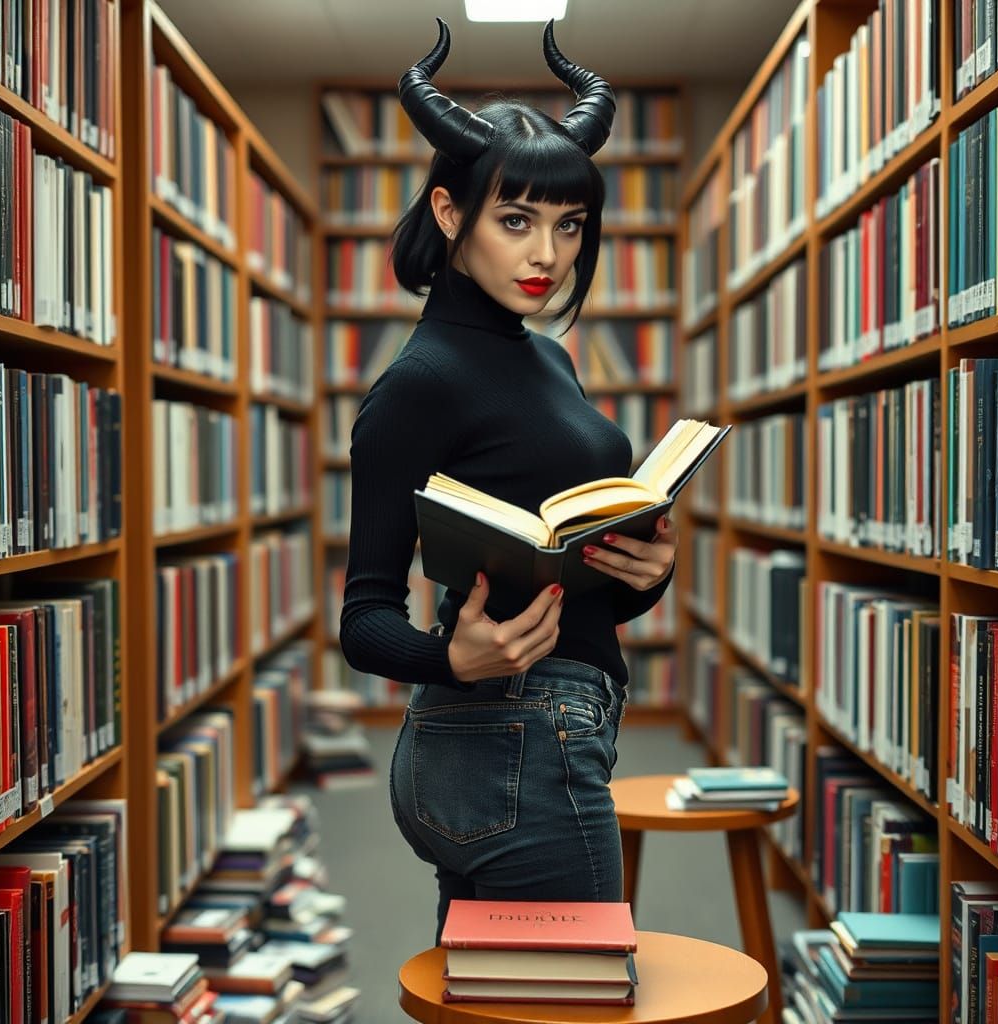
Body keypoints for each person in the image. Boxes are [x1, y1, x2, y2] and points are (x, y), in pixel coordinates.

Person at [339, 18, 677, 943]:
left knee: (505, 990)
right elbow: (363, 619)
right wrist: (450, 658)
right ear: (451, 214)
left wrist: (646, 574)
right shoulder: (419, 383)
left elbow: (572, 593)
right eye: (516, 221)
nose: (548, 257)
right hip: (507, 735)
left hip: (548, 723)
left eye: (569, 226)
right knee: (574, 993)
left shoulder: (550, 358)